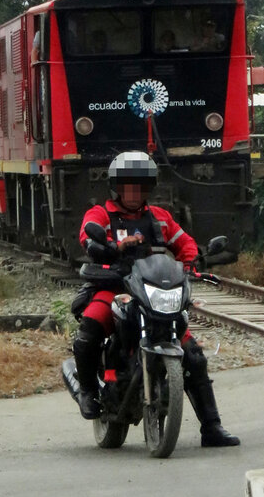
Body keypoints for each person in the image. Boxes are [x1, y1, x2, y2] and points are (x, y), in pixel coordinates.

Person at [71, 151, 240, 447]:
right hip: (115, 286)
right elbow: (87, 236)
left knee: (193, 355)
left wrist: (195, 262)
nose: (134, 192)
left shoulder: (160, 218)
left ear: (149, 188)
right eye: (128, 186)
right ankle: (87, 391)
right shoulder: (100, 214)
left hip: (153, 291)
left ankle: (212, 427)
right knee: (91, 324)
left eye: (141, 186)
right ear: (116, 187)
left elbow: (184, 243)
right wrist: (112, 246)